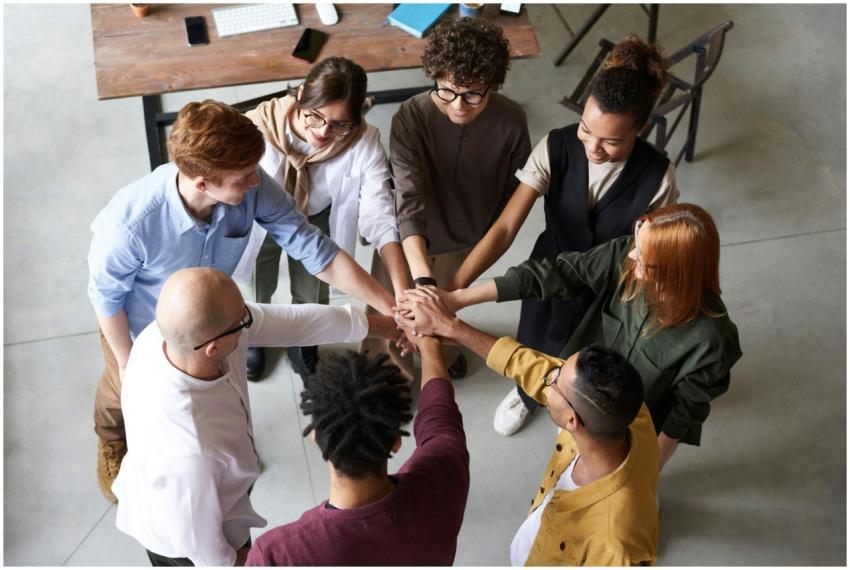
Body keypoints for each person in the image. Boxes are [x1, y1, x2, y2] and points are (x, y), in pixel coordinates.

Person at [87, 99, 396, 502]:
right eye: (244, 176)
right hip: (139, 326)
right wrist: (130, 366)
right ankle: (111, 439)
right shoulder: (130, 224)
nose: (257, 182)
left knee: (208, 397)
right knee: (119, 394)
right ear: (201, 181)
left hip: (213, 321)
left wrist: (390, 306)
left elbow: (313, 248)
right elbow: (105, 297)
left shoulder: (251, 185)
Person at [445, 34, 680, 436]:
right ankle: (527, 391)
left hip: (610, 284)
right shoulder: (556, 146)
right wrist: (454, 291)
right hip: (548, 270)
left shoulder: (658, 176)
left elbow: (654, 251)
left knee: (591, 356)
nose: (593, 147)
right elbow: (504, 228)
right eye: (587, 130)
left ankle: (574, 403)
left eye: (612, 140)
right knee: (536, 336)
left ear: (640, 130)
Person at [404, 203, 742, 469]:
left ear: (678, 272)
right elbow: (556, 274)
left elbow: (682, 415)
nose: (633, 257)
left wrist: (646, 470)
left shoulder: (713, 341)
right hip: (575, 388)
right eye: (637, 244)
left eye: (647, 262)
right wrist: (457, 298)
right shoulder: (628, 254)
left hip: (629, 427)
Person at [113, 267, 402, 567]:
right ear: (213, 348)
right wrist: (242, 561)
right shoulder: (191, 452)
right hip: (185, 544)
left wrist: (389, 326)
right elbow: (200, 545)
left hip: (213, 488)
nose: (249, 319)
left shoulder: (171, 337)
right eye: (243, 320)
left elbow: (295, 324)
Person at [394, 287, 659, 565]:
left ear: (572, 420)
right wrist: (450, 327)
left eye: (555, 380)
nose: (548, 376)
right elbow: (531, 366)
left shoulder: (615, 544)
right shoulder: (628, 411)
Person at [366, 15, 532, 382]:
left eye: (473, 94)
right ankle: (391, 378)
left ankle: (446, 351)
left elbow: (510, 204)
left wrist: (448, 291)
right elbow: (407, 202)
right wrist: (424, 283)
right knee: (395, 310)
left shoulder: (511, 123)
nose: (459, 105)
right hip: (410, 239)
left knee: (447, 314)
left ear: (493, 84)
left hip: (466, 241)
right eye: (447, 91)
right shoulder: (412, 116)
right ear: (435, 78)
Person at [238, 56, 408, 381]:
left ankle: (303, 340)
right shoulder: (258, 125)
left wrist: (399, 293)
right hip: (262, 218)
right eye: (314, 117)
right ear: (301, 94)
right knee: (257, 280)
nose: (323, 132)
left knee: (313, 290)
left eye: (339, 124)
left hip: (317, 217)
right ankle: (256, 332)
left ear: (356, 119)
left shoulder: (363, 140)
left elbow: (379, 214)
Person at [246, 339, 469, 565]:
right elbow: (440, 414)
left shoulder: (276, 555)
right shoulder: (447, 471)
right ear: (396, 442)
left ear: (316, 438)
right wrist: (430, 348)